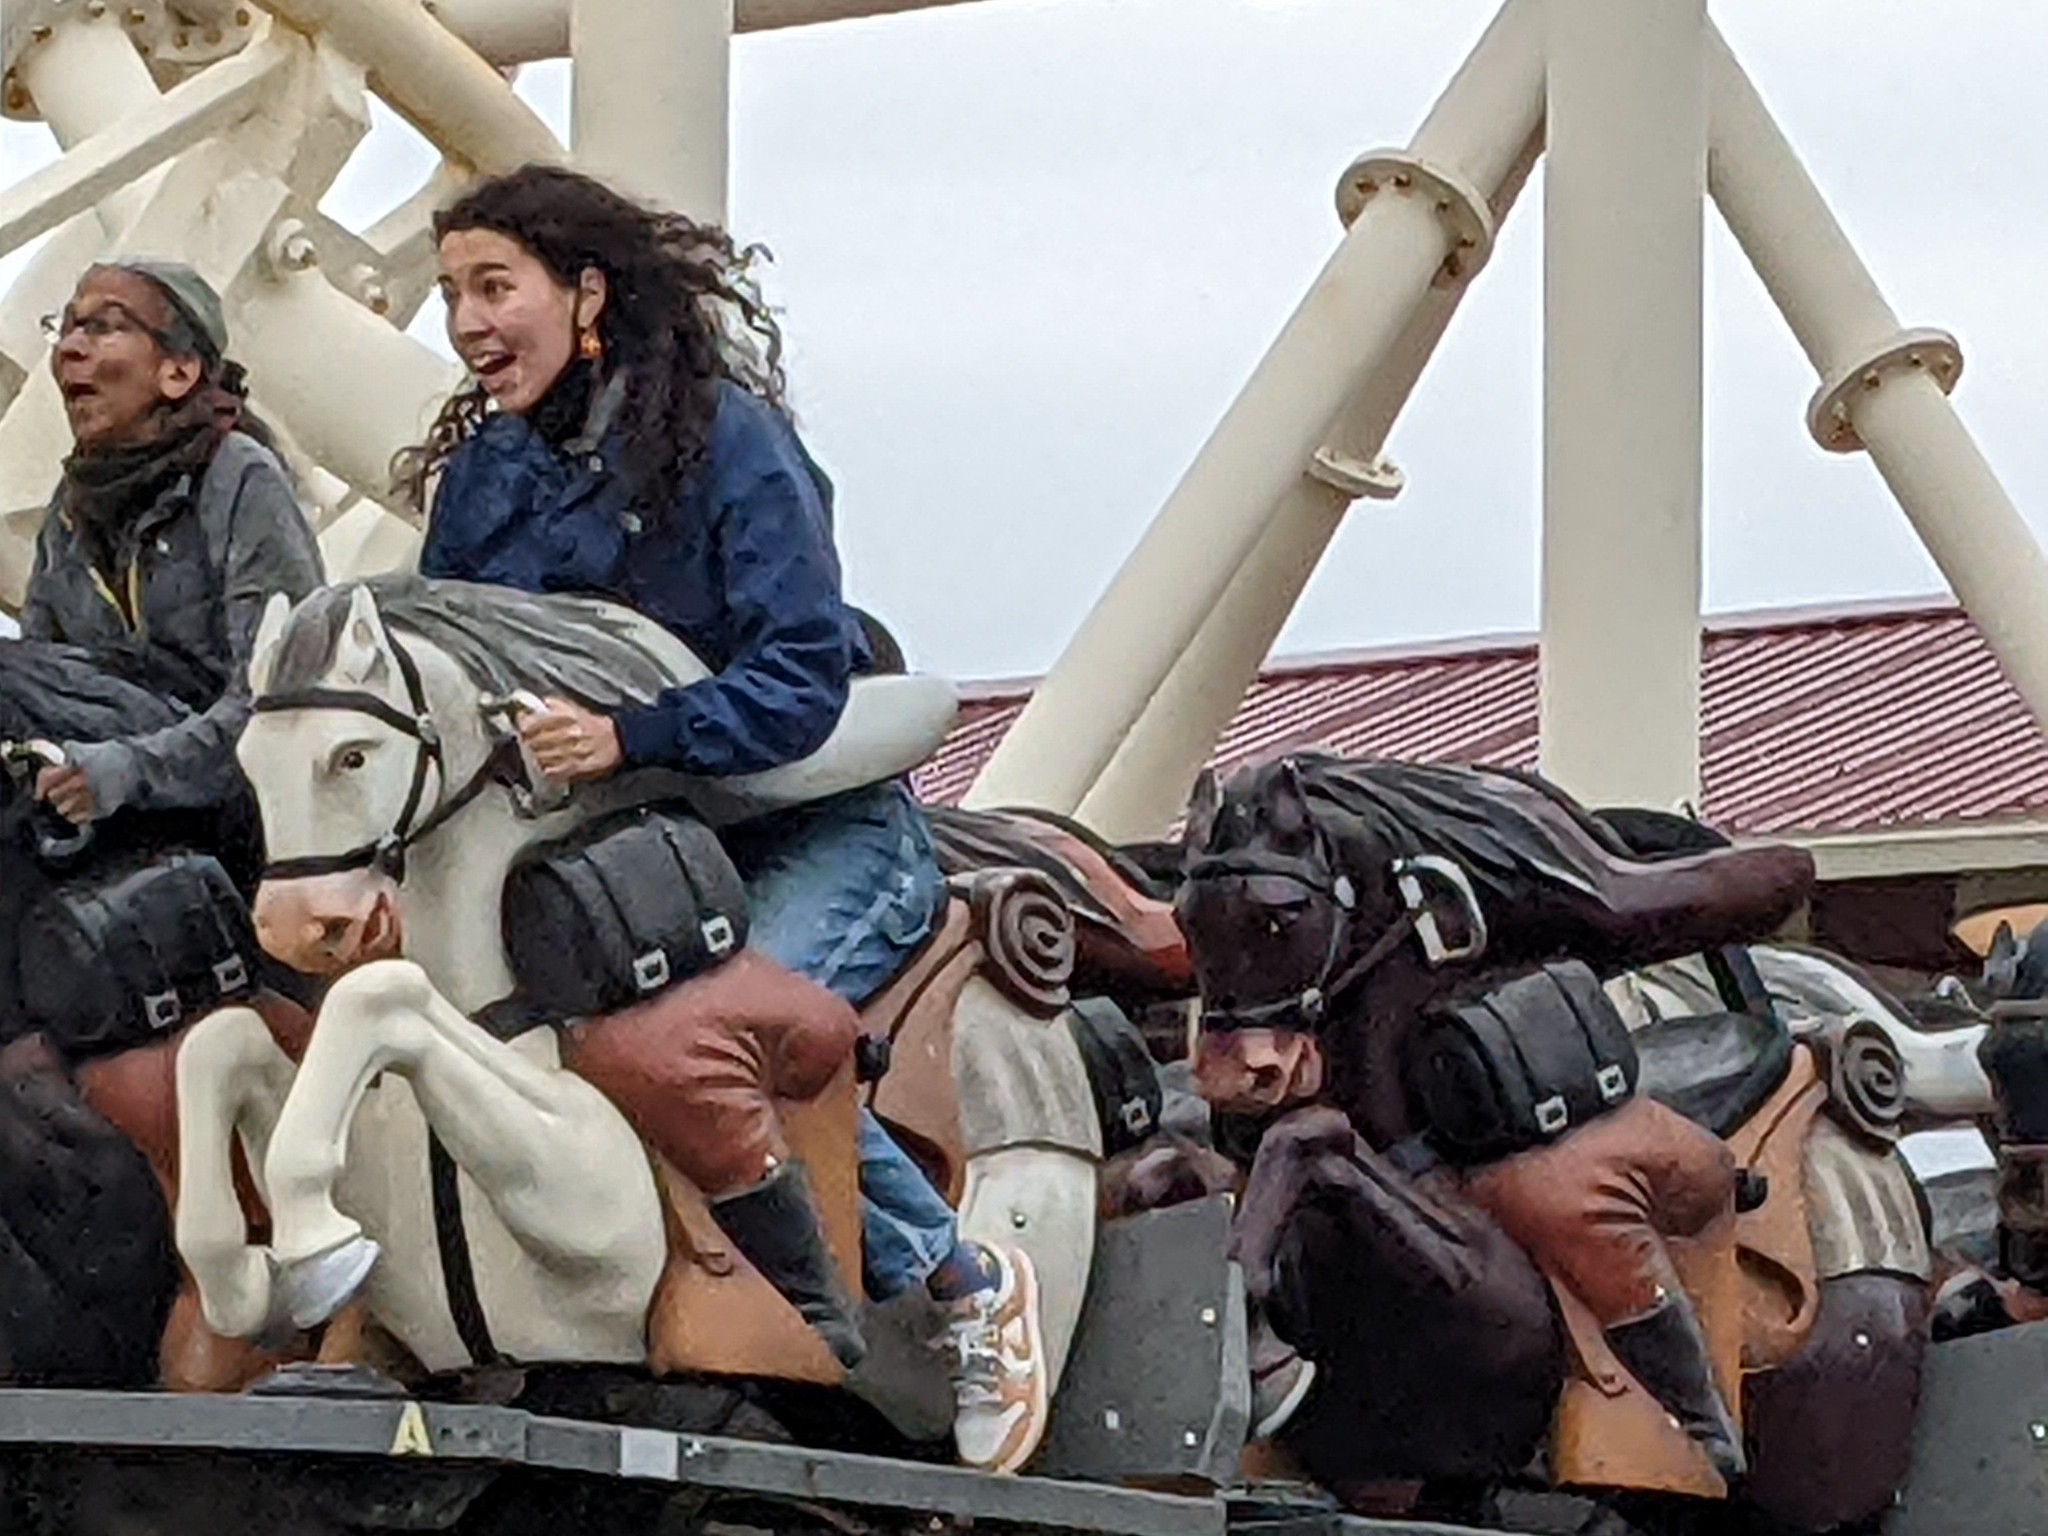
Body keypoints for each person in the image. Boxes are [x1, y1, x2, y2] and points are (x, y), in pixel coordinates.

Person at [405, 165, 1049, 1475]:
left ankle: (972, 1286)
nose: (468, 323)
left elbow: (804, 672)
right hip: (625, 863)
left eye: (493, 286)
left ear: (585, 294)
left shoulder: (728, 441)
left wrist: (630, 736)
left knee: (709, 1046)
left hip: (811, 834)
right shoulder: (482, 477)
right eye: (449, 296)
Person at [15, 258, 323, 831]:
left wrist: (125, 771)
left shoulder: (239, 476)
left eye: (103, 327)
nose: (69, 349)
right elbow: (44, 672)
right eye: (65, 327)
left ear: (178, 373)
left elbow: (284, 694)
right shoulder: (70, 507)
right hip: (112, 801)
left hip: (234, 807)